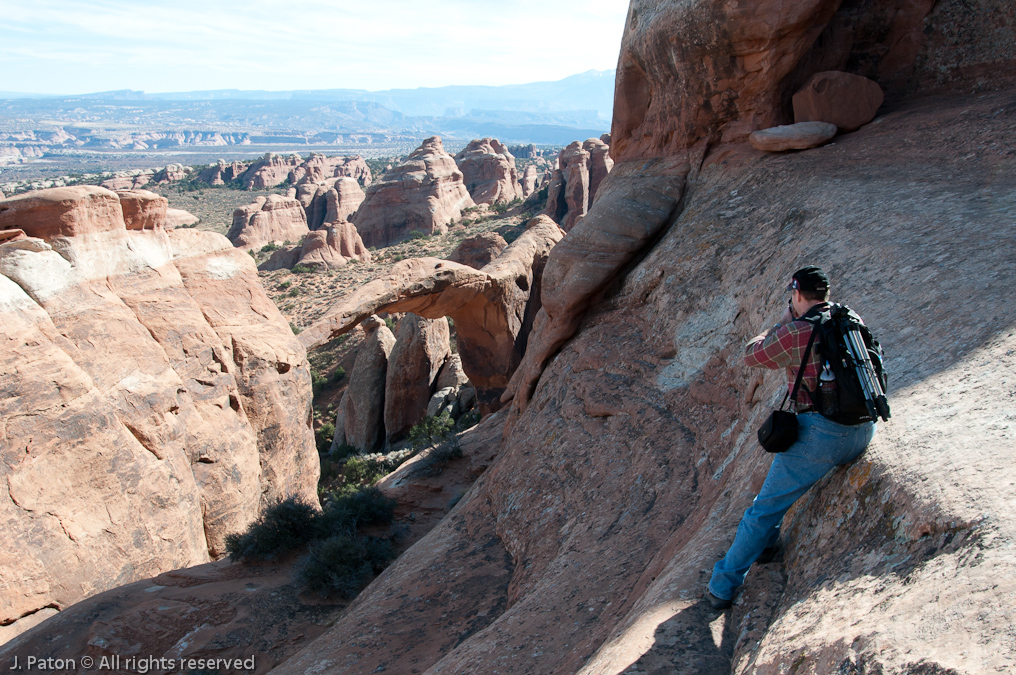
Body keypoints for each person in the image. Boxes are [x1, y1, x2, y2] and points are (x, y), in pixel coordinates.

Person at [707, 265, 877, 609]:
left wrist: (782, 320)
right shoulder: (848, 318)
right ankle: (767, 546)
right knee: (776, 485)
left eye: (793, 296)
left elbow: (753, 354)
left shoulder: (798, 330)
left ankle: (721, 587)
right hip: (862, 431)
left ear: (798, 295)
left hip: (823, 439)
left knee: (762, 509)